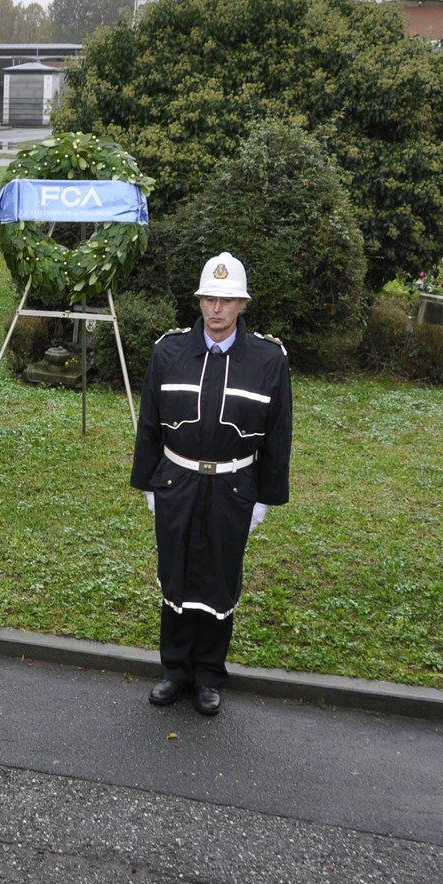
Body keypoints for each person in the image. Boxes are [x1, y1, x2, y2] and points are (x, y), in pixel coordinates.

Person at [130, 252, 292, 716]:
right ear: (199, 301)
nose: (216, 309)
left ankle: (209, 674)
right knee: (175, 571)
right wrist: (149, 485)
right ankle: (175, 671)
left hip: (234, 487)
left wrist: (265, 497)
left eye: (227, 300)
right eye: (209, 298)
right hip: (176, 481)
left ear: (242, 304)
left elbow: (279, 434)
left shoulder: (268, 359)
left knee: (219, 578)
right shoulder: (168, 351)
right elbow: (149, 426)